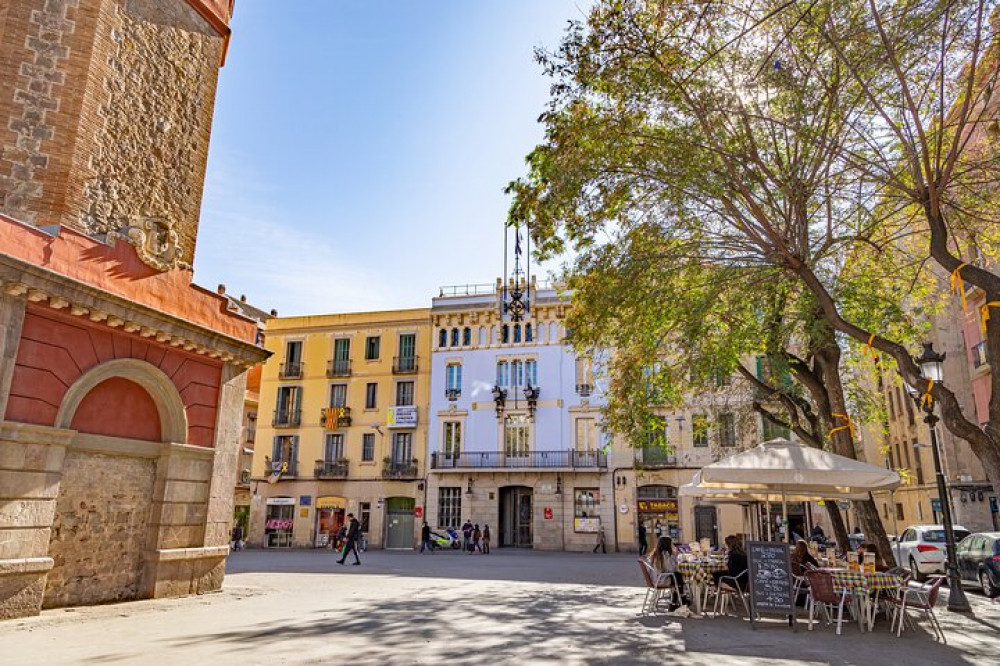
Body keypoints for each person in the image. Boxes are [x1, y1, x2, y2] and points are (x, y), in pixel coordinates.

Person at [647, 536, 685, 608]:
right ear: (668, 545)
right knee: (678, 576)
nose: (672, 545)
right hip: (661, 580)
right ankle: (678, 600)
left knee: (677, 577)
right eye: (671, 544)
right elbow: (671, 569)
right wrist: (675, 555)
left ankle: (677, 600)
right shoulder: (665, 554)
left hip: (654, 579)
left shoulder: (656, 553)